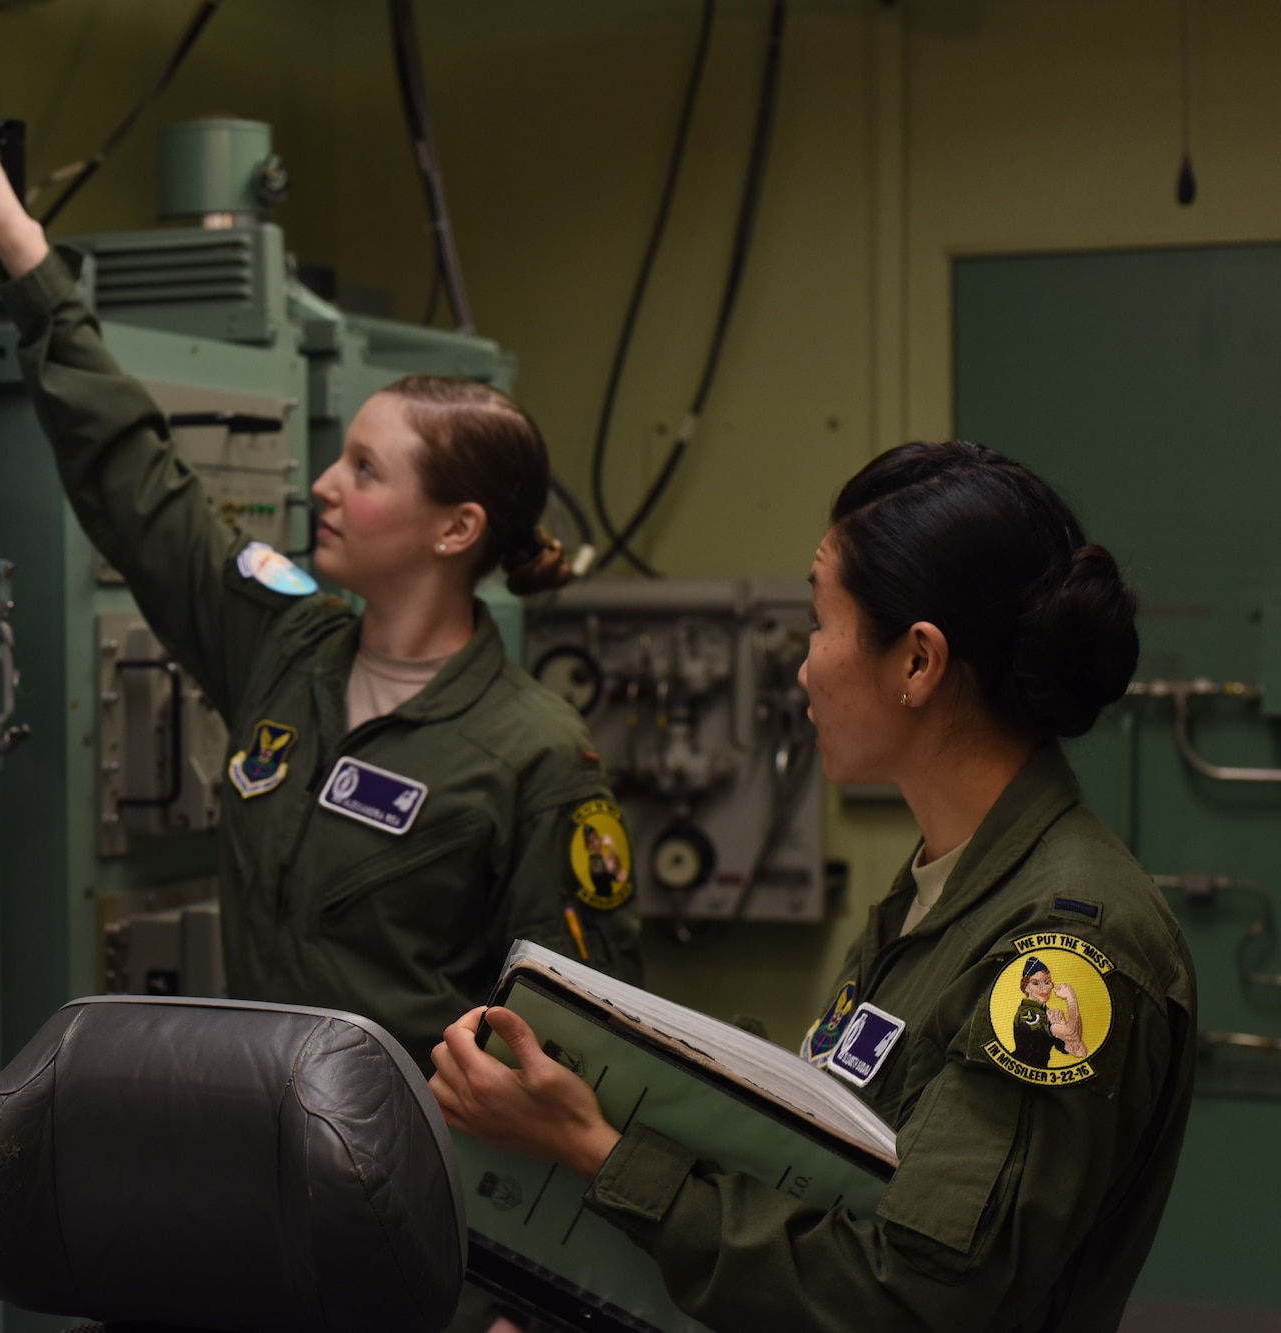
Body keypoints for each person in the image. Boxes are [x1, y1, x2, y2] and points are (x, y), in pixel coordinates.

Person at [0, 80, 643, 1066]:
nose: (324, 486)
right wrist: (18, 243)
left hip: (423, 1187)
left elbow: (577, 1043)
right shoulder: (285, 644)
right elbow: (142, 484)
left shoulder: (532, 757)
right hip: (265, 1149)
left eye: (365, 471)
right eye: (339, 458)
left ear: (455, 526)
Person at [431, 441, 1197, 1333]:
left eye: (817, 620)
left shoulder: (1069, 946)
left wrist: (594, 1149)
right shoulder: (943, 888)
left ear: (917, 662)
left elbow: (914, 1298)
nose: (802, 666)